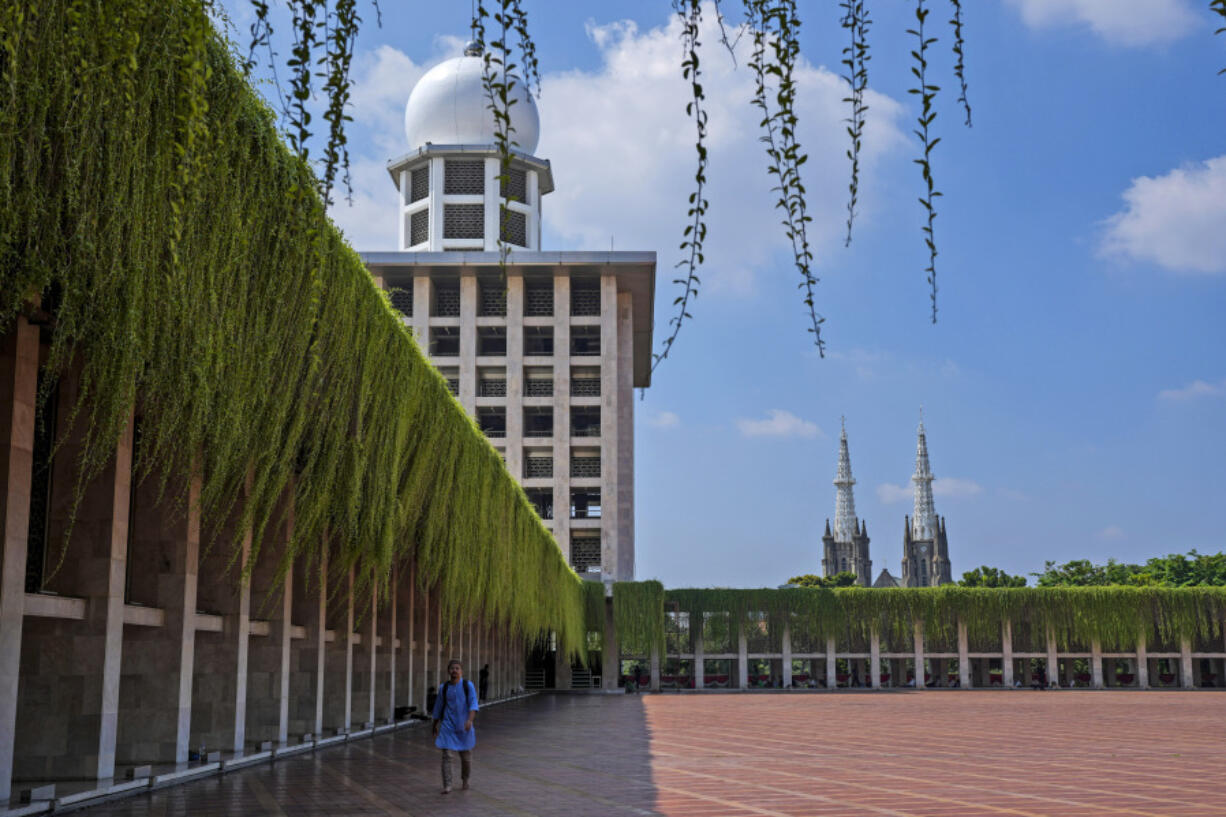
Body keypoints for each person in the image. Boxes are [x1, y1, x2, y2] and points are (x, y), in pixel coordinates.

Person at [432, 659, 479, 794]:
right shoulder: (444, 687)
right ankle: (447, 784)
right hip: (448, 725)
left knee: (466, 757)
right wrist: (435, 724)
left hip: (464, 726)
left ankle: (465, 779)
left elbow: (473, 704)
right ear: (448, 671)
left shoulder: (467, 685)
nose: (455, 671)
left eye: (457, 668)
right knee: (446, 755)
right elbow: (438, 707)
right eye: (452, 668)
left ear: (461, 671)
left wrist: (470, 720)